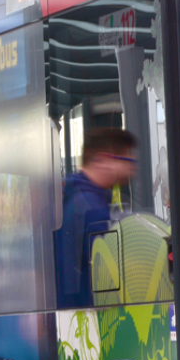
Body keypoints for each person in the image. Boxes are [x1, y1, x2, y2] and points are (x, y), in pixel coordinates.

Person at [55, 128, 138, 308]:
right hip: (89, 319)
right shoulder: (91, 209)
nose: (132, 167)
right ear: (103, 160)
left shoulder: (74, 197)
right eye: (127, 160)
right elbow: (116, 274)